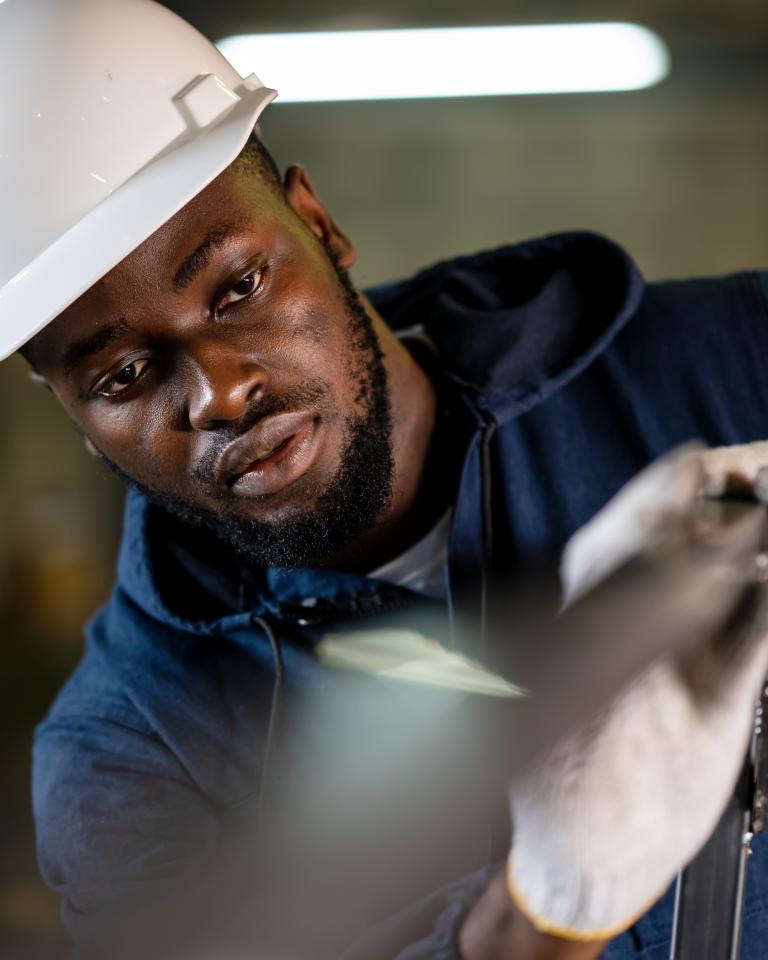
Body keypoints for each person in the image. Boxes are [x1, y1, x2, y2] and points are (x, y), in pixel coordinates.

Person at [5, 1, 768, 957]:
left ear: (321, 226)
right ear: (79, 423)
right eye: (124, 376)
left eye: (239, 287)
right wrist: (543, 913)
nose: (224, 390)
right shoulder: (130, 759)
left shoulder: (738, 361)